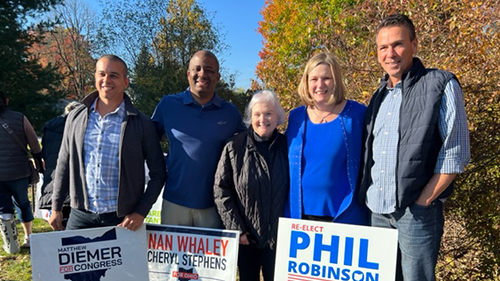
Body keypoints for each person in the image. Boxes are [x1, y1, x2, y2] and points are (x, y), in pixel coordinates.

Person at [358, 14, 470, 281]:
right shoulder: (378, 96)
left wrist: (425, 200)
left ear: (414, 44)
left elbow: (456, 151)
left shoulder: (440, 84)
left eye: (398, 44)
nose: (390, 53)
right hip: (378, 212)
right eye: (383, 47)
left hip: (416, 214)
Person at [48, 55, 166, 231]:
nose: (106, 80)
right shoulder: (76, 117)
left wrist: (141, 212)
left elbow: (158, 173)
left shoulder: (142, 124)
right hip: (80, 215)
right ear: (95, 77)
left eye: (113, 75)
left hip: (122, 220)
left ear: (126, 82)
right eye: (101, 74)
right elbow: (63, 163)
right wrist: (55, 207)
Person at [152, 50, 245, 228]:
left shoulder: (230, 113)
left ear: (217, 77)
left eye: (209, 70)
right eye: (197, 69)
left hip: (214, 205)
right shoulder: (168, 105)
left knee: (211, 256)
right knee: (172, 256)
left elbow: (247, 150)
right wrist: (163, 165)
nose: (202, 74)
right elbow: (147, 143)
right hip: (174, 201)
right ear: (188, 74)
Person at [214, 90, 289, 281]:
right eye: (257, 114)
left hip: (279, 238)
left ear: (278, 116)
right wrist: (237, 229)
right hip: (246, 239)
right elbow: (221, 191)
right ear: (250, 117)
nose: (263, 119)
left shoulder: (288, 147)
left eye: (269, 113)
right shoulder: (234, 147)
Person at [286, 52, 368, 225]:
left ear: (336, 80)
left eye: (326, 78)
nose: (320, 85)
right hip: (299, 216)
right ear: (306, 82)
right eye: (314, 79)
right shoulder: (296, 117)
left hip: (343, 215)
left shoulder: (357, 114)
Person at [0, 90, 43, 251]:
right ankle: (28, 237)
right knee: (23, 203)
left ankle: (11, 243)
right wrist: (39, 164)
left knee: (3, 207)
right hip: (19, 171)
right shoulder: (19, 118)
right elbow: (34, 145)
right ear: (7, 101)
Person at [38, 101, 81, 226]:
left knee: (61, 224)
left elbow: (45, 152)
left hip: (54, 180)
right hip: (76, 182)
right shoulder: (81, 126)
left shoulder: (50, 128)